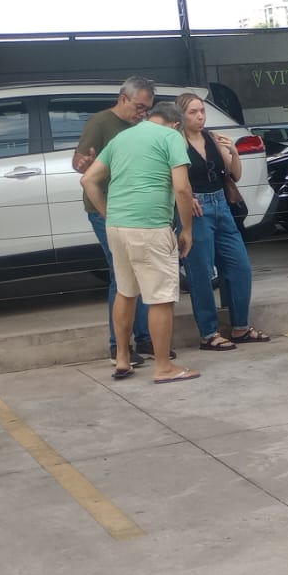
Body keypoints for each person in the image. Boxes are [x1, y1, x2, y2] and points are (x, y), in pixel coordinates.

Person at [80, 102, 199, 385]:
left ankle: (122, 358)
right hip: (150, 226)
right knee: (160, 298)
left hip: (117, 227)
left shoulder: (123, 137)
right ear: (176, 124)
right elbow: (182, 188)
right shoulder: (170, 137)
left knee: (126, 291)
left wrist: (108, 212)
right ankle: (164, 367)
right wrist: (187, 230)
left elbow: (88, 180)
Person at [173, 92, 268, 351]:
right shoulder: (175, 141)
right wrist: (184, 196)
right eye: (193, 112)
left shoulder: (211, 138)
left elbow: (234, 174)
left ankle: (240, 326)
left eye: (201, 111)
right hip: (197, 208)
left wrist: (234, 153)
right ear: (181, 115)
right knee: (201, 272)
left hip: (221, 204)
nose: (200, 116)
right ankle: (208, 332)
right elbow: (168, 177)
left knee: (240, 266)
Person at [74, 77, 157, 365]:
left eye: (147, 109)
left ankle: (146, 338)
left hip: (133, 209)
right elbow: (79, 162)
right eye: (139, 107)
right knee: (122, 275)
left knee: (141, 271)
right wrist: (83, 163)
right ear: (123, 99)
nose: (142, 113)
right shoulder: (100, 123)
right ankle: (118, 345)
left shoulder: (142, 127)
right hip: (105, 208)